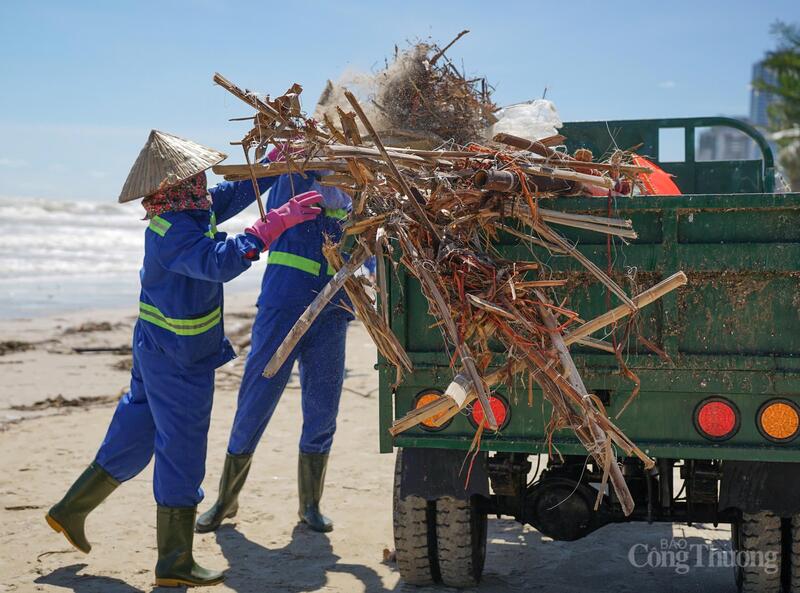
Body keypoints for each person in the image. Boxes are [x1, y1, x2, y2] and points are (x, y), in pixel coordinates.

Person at [44, 130, 323, 588]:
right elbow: (217, 263)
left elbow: (231, 194)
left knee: (135, 433)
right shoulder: (171, 232)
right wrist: (271, 226)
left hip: (156, 344)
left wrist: (275, 162)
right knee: (183, 447)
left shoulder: (186, 207)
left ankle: (70, 510)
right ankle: (175, 561)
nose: (203, 182)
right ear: (174, 184)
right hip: (178, 355)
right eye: (195, 176)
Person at [197, 148, 353, 535]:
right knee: (256, 400)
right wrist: (288, 153)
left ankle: (310, 506)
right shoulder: (293, 172)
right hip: (283, 304)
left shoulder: (353, 185)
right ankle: (226, 500)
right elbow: (266, 176)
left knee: (323, 409)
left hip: (333, 309)